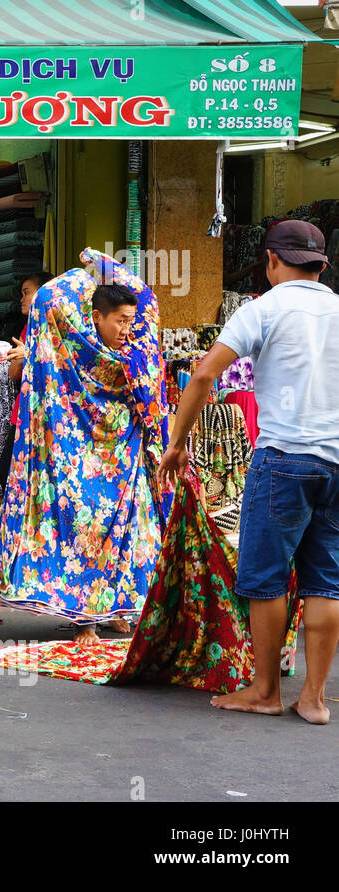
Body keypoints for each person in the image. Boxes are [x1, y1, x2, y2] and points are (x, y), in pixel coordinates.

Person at [160, 220, 339, 725]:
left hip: (284, 457)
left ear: (272, 261)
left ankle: (265, 690)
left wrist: (176, 443)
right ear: (321, 265)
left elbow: (203, 373)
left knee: (266, 579)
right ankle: (315, 698)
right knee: (326, 582)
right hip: (336, 461)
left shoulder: (262, 308)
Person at [0, 249, 168, 645]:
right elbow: (49, 299)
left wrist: (106, 267)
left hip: (123, 452)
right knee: (86, 527)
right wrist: (88, 272)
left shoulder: (136, 348)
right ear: (96, 317)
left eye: (131, 321)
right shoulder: (68, 352)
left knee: (128, 532)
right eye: (120, 321)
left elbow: (151, 392)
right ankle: (85, 619)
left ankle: (119, 608)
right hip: (78, 451)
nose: (127, 329)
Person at [0, 271, 54, 485]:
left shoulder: (57, 328)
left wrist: (28, 354)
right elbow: (13, 373)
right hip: (24, 410)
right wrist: (24, 355)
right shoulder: (27, 328)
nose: (22, 299)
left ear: (44, 294)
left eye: (26, 292)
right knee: (6, 473)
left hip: (49, 414)